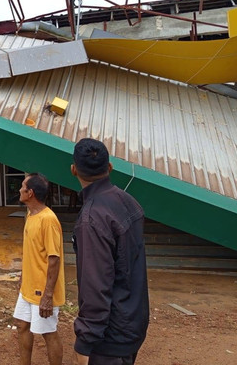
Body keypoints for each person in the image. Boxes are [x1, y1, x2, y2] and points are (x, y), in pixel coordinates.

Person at [71, 138, 149, 365]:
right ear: (110, 167)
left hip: (110, 337)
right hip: (133, 321)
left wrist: (85, 341)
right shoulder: (129, 202)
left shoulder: (92, 218)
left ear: (74, 169)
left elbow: (96, 283)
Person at [13, 172, 65, 365]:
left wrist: (48, 295)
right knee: (22, 325)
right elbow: (32, 252)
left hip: (43, 290)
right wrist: (23, 276)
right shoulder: (30, 214)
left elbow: (54, 259)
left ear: (30, 193)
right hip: (28, 286)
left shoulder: (48, 220)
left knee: (48, 333)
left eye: (22, 186)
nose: (19, 190)